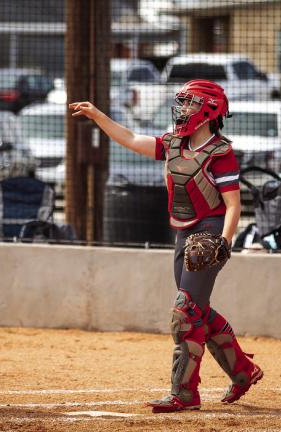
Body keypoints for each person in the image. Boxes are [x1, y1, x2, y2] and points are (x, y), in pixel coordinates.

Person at [70, 79, 262, 413]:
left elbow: (233, 205)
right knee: (196, 310)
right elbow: (130, 139)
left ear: (208, 111)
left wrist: (224, 243)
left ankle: (184, 393)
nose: (182, 110)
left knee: (184, 313)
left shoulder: (220, 152)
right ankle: (242, 370)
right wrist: (97, 115)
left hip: (210, 231)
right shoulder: (173, 143)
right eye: (182, 103)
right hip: (184, 233)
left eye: (190, 104)